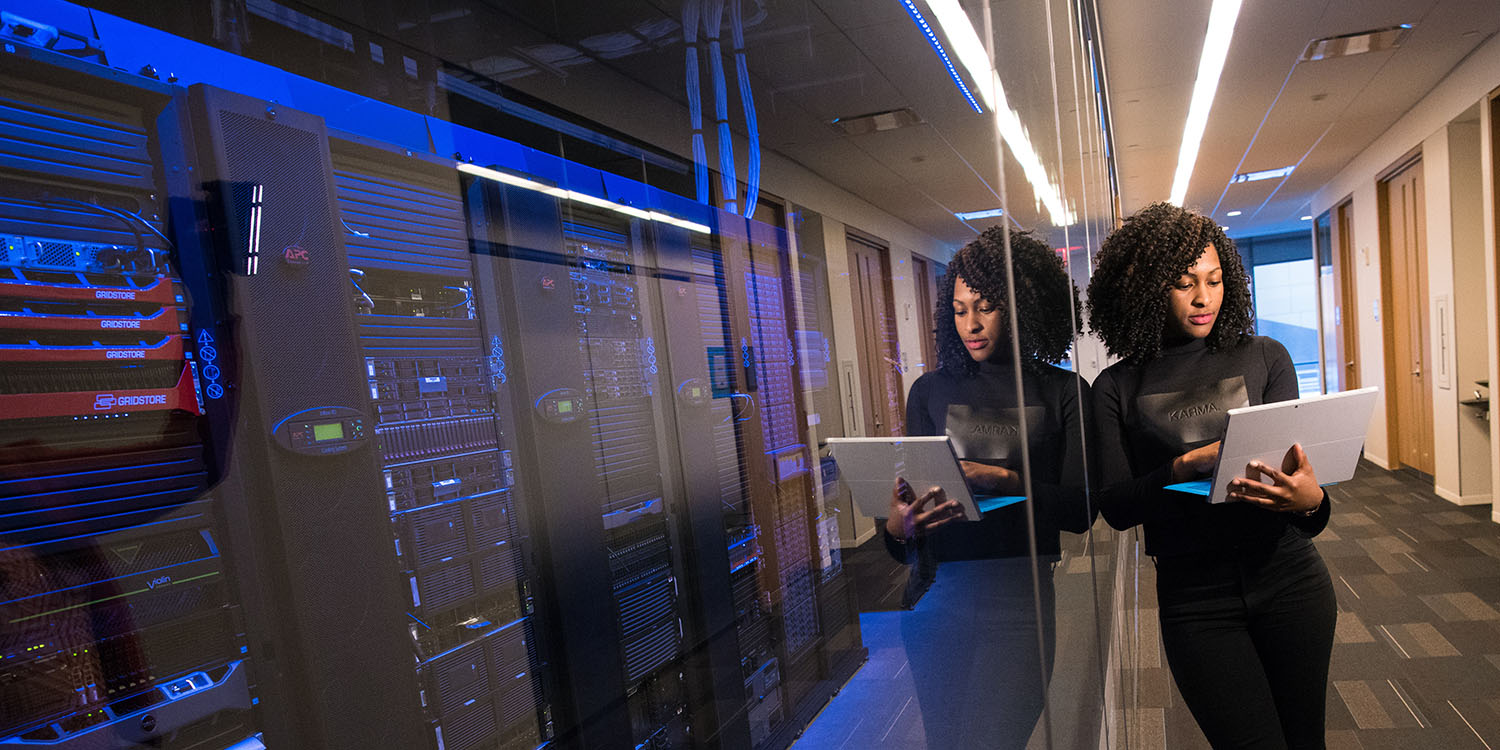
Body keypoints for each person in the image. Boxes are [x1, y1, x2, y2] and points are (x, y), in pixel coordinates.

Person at [1087, 202, 1335, 749]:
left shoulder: (1266, 357)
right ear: (1149, 289)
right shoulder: (1116, 386)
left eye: (1216, 279)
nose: (1204, 298)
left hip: (1290, 579)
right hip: (1195, 599)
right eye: (1184, 284)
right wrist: (1182, 466)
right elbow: (1117, 505)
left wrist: (1312, 501)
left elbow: (1304, 509)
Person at [881, 226, 1093, 748]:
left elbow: (1081, 511)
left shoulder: (1064, 390)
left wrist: (1010, 482)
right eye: (958, 310)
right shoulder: (928, 391)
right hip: (935, 596)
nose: (970, 325)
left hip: (1020, 601)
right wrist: (897, 527)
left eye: (985, 307)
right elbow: (908, 527)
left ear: (1022, 307)